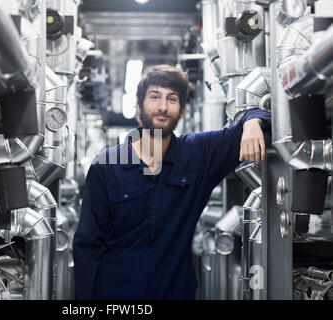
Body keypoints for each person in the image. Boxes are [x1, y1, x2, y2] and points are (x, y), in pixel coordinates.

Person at [73, 65, 271, 300]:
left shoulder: (199, 154)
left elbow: (264, 117)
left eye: (172, 99)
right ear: (139, 106)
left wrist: (252, 122)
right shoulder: (106, 166)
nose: (163, 107)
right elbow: (87, 246)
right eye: (155, 96)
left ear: (182, 111)